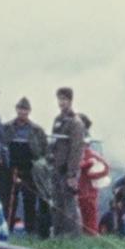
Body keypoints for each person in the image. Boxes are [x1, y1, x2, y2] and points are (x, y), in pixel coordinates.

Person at [2, 96, 51, 235]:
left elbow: (45, 151)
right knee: (10, 199)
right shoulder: (6, 128)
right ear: (16, 109)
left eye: (25, 109)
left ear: (29, 111)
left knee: (30, 199)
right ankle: (8, 229)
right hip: (11, 169)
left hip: (30, 169)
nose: (22, 112)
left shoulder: (37, 130)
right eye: (20, 109)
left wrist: (40, 166)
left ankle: (30, 230)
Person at [49, 86, 86, 236]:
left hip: (67, 169)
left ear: (70, 100)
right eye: (59, 99)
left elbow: (77, 149)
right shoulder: (58, 120)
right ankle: (58, 234)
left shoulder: (76, 122)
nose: (61, 102)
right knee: (57, 203)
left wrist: (72, 174)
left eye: (64, 99)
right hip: (56, 167)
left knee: (69, 203)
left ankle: (73, 236)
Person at [76, 115, 110, 236]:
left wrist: (91, 171)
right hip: (75, 190)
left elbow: (106, 168)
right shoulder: (73, 151)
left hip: (88, 192)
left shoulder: (91, 154)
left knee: (90, 217)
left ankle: (91, 238)